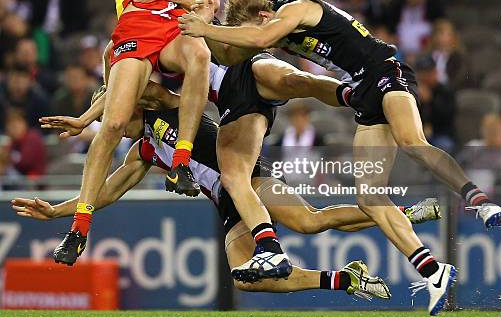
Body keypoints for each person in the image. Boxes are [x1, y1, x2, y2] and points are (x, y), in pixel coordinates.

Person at [43, 0, 313, 264]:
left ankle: (182, 160)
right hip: (133, 27)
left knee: (199, 55)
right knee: (115, 123)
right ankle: (78, 227)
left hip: (171, 24)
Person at [177, 0, 501, 314]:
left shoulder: (296, 8)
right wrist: (206, 28)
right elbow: (236, 51)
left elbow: (260, 41)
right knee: (370, 198)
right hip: (363, 92)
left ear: (264, 16)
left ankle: (479, 200)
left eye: (254, 29)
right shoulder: (271, 27)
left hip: (384, 72)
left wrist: (204, 28)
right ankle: (433, 272)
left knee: (413, 142)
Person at [25, 82, 439, 299]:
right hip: (227, 202)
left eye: (112, 119)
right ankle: (344, 280)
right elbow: (107, 191)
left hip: (248, 178)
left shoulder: (165, 102)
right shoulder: (144, 150)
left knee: (310, 221)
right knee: (247, 279)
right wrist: (59, 212)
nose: (111, 129)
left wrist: (89, 114)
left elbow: (137, 85)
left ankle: (400, 212)